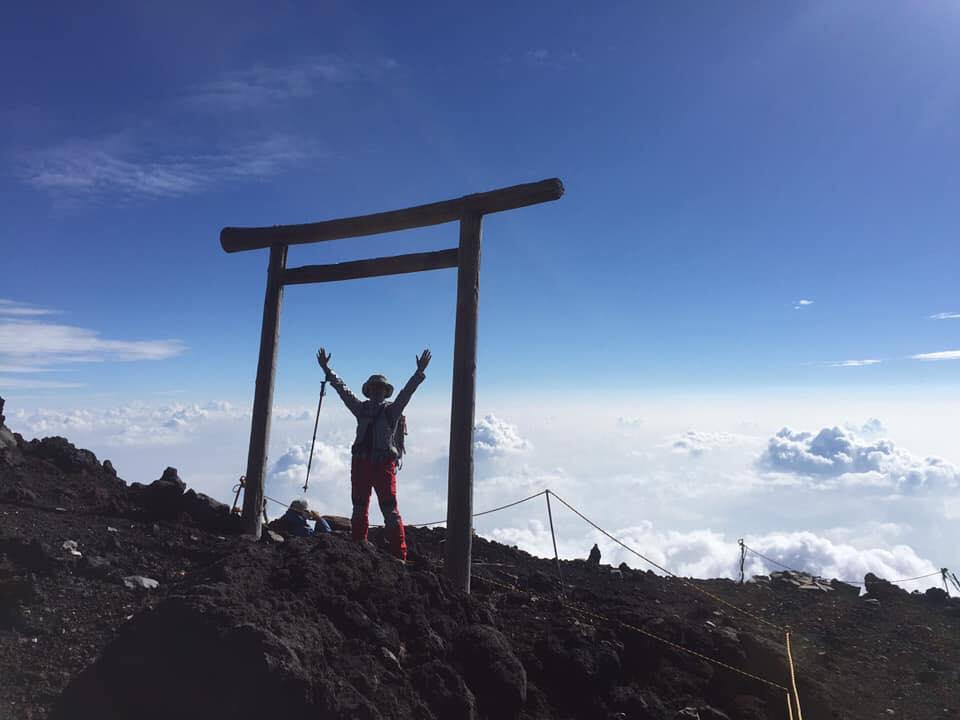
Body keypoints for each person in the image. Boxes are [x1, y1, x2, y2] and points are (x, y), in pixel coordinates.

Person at [316, 347, 431, 561]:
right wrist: (327, 370)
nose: (377, 391)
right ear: (370, 391)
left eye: (380, 389)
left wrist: (419, 374)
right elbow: (343, 390)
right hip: (364, 464)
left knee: (389, 510)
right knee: (360, 506)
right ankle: (361, 545)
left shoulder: (390, 411)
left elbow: (406, 394)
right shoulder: (362, 409)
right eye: (375, 388)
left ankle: (399, 554)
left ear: (383, 392)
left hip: (379, 465)